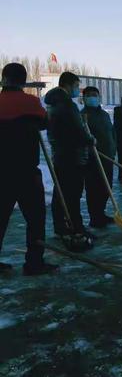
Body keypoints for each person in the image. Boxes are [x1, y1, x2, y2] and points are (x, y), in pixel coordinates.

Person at [0, 63, 58, 275]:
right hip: (26, 173)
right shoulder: (32, 103)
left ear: (4, 79)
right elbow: (45, 123)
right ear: (23, 81)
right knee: (35, 219)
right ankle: (34, 263)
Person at [45, 72, 95, 248]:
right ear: (68, 84)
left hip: (61, 155)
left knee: (61, 194)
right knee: (72, 194)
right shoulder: (66, 104)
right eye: (76, 86)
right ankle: (75, 228)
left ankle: (63, 227)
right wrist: (89, 140)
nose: (77, 90)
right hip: (71, 157)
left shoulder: (54, 103)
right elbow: (76, 131)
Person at [81, 86, 116, 228]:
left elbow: (112, 132)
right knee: (93, 189)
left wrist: (114, 148)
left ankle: (101, 213)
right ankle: (94, 217)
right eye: (88, 95)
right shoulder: (82, 115)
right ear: (83, 99)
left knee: (106, 187)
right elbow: (82, 137)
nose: (92, 97)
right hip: (93, 159)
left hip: (108, 157)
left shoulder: (105, 114)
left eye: (94, 95)